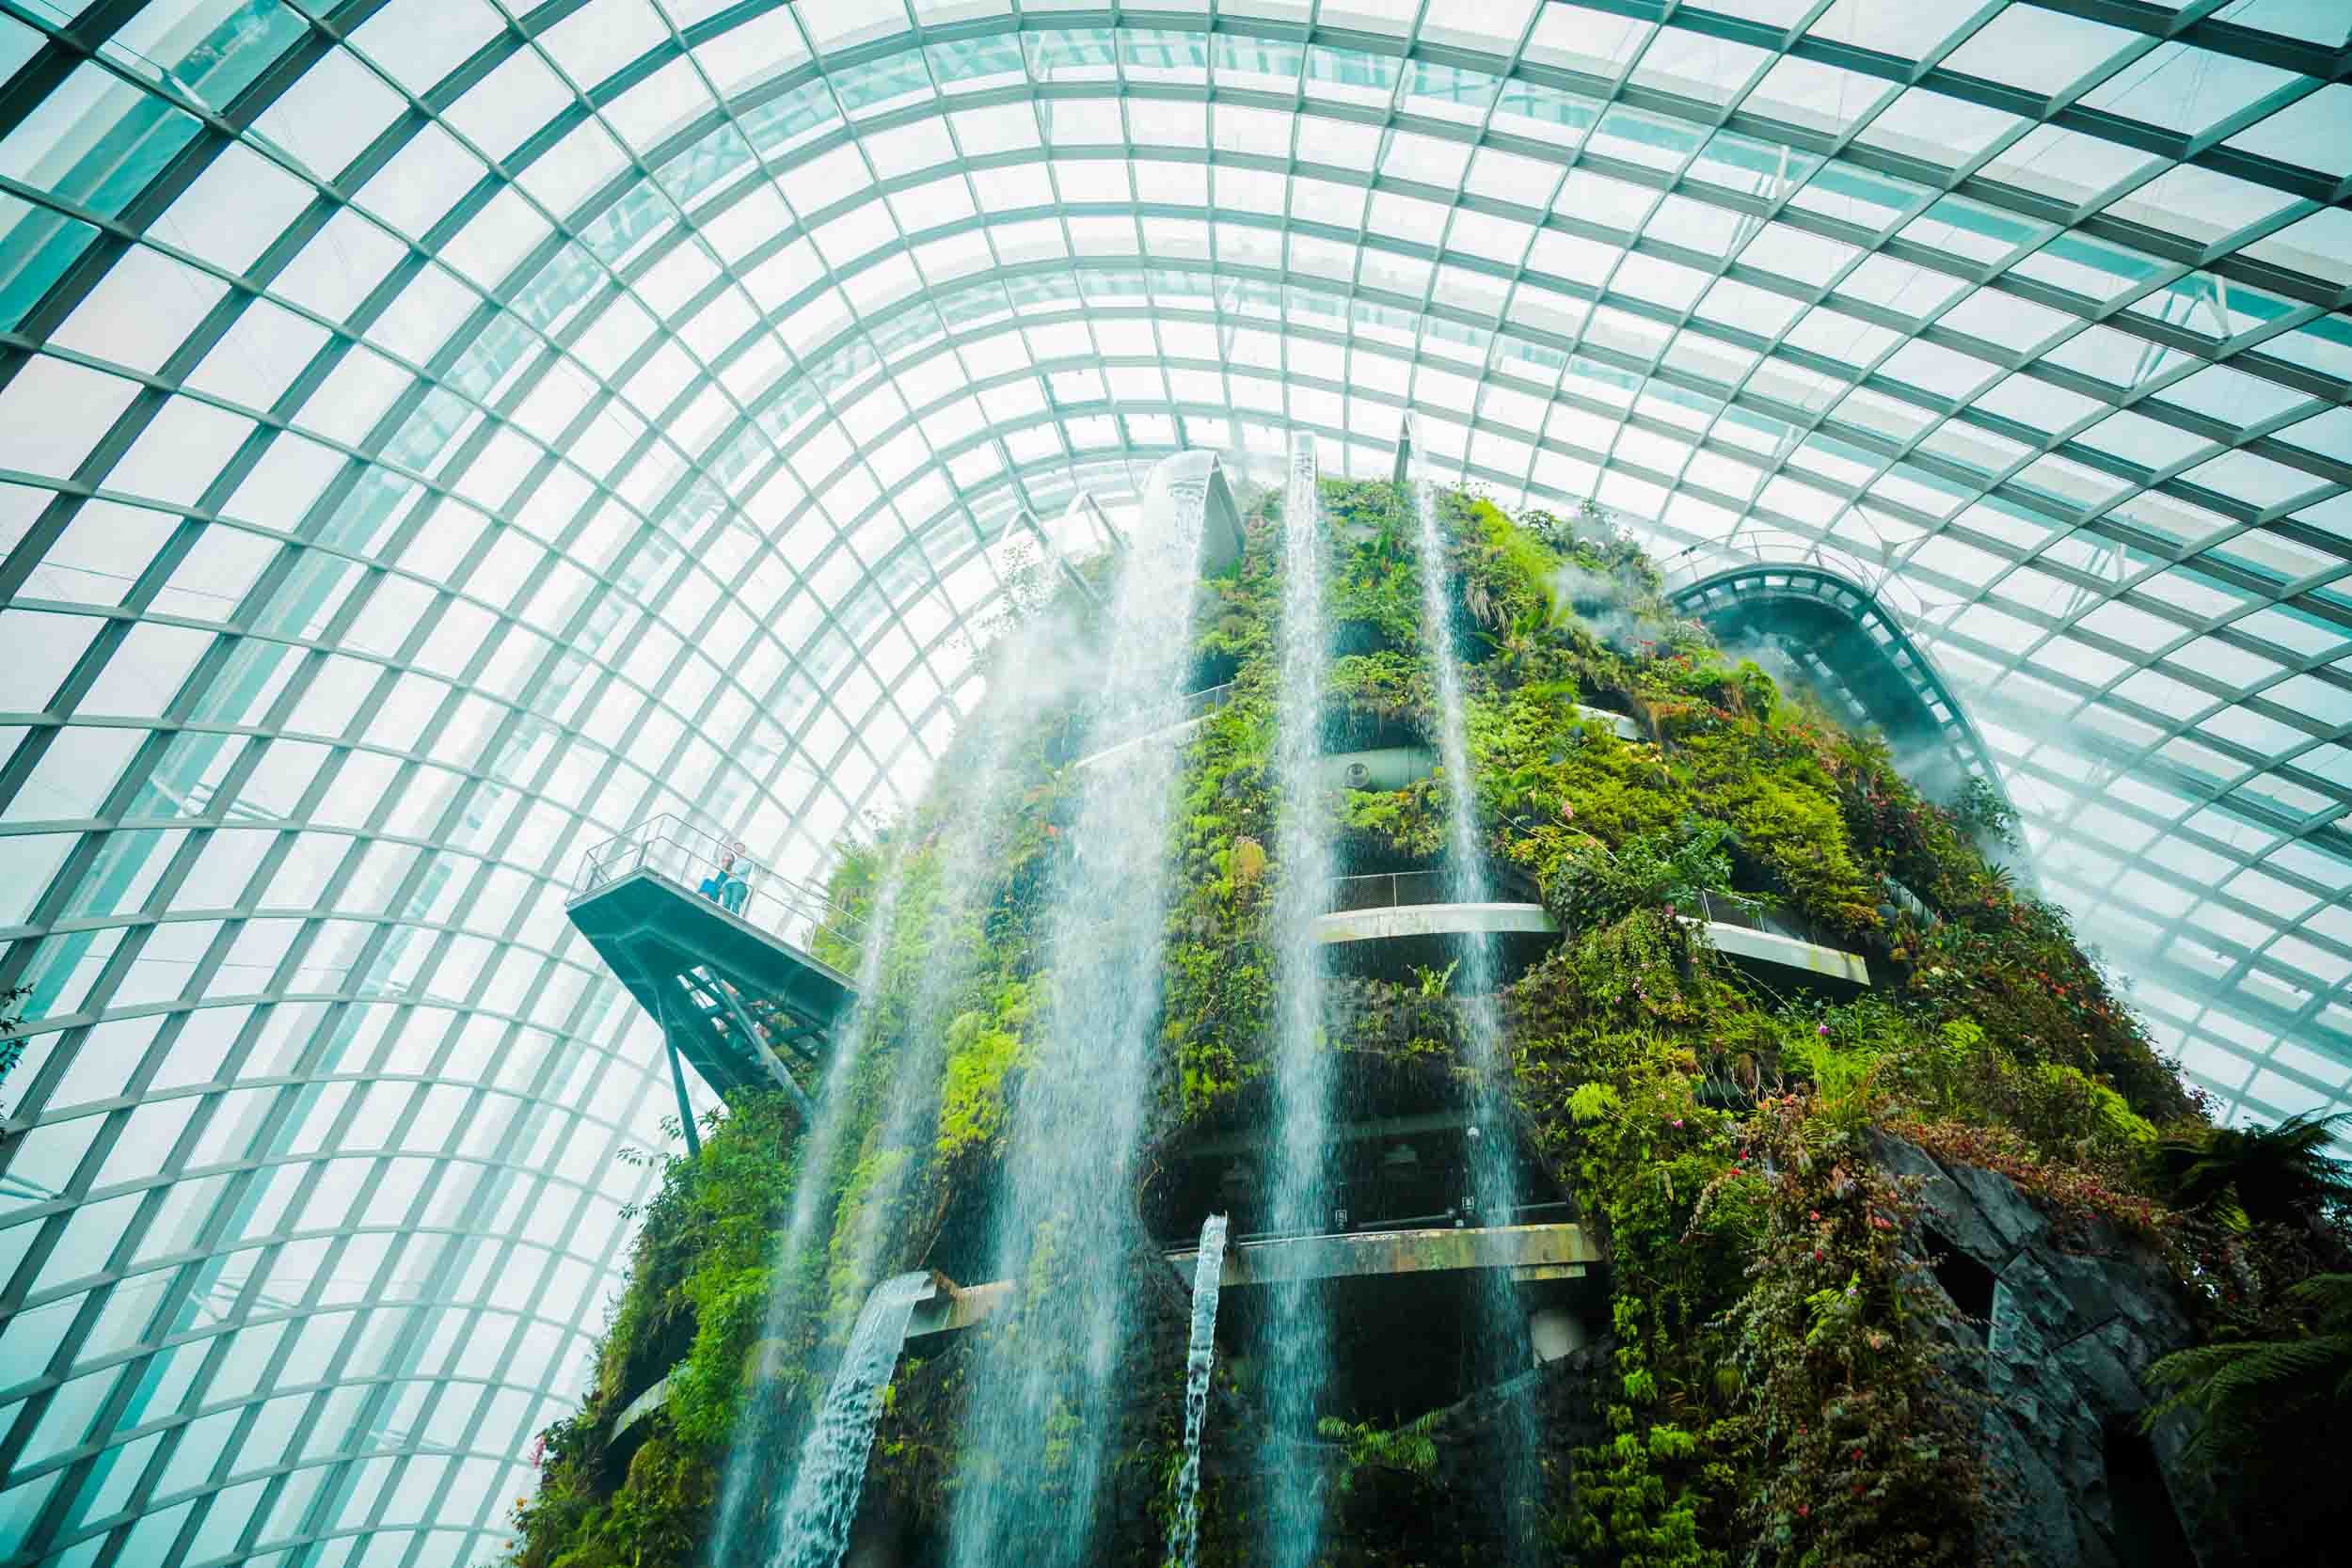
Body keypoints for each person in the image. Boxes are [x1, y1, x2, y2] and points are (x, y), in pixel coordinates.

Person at [720, 842, 755, 913]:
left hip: (738, 884)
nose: (737, 849)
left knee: (735, 903)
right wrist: (723, 885)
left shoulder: (748, 859)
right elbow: (730, 876)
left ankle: (732, 919)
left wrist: (735, 872)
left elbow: (746, 867)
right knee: (725, 904)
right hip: (729, 884)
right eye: (736, 848)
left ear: (744, 848)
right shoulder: (735, 861)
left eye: (739, 847)